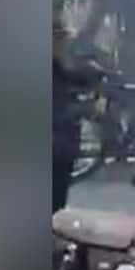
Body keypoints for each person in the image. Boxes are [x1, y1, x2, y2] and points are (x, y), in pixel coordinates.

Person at [52, 11, 103, 212]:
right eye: (60, 38)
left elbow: (75, 76)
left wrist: (95, 74)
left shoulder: (58, 67)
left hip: (63, 150)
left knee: (57, 203)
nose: (65, 44)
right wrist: (83, 109)